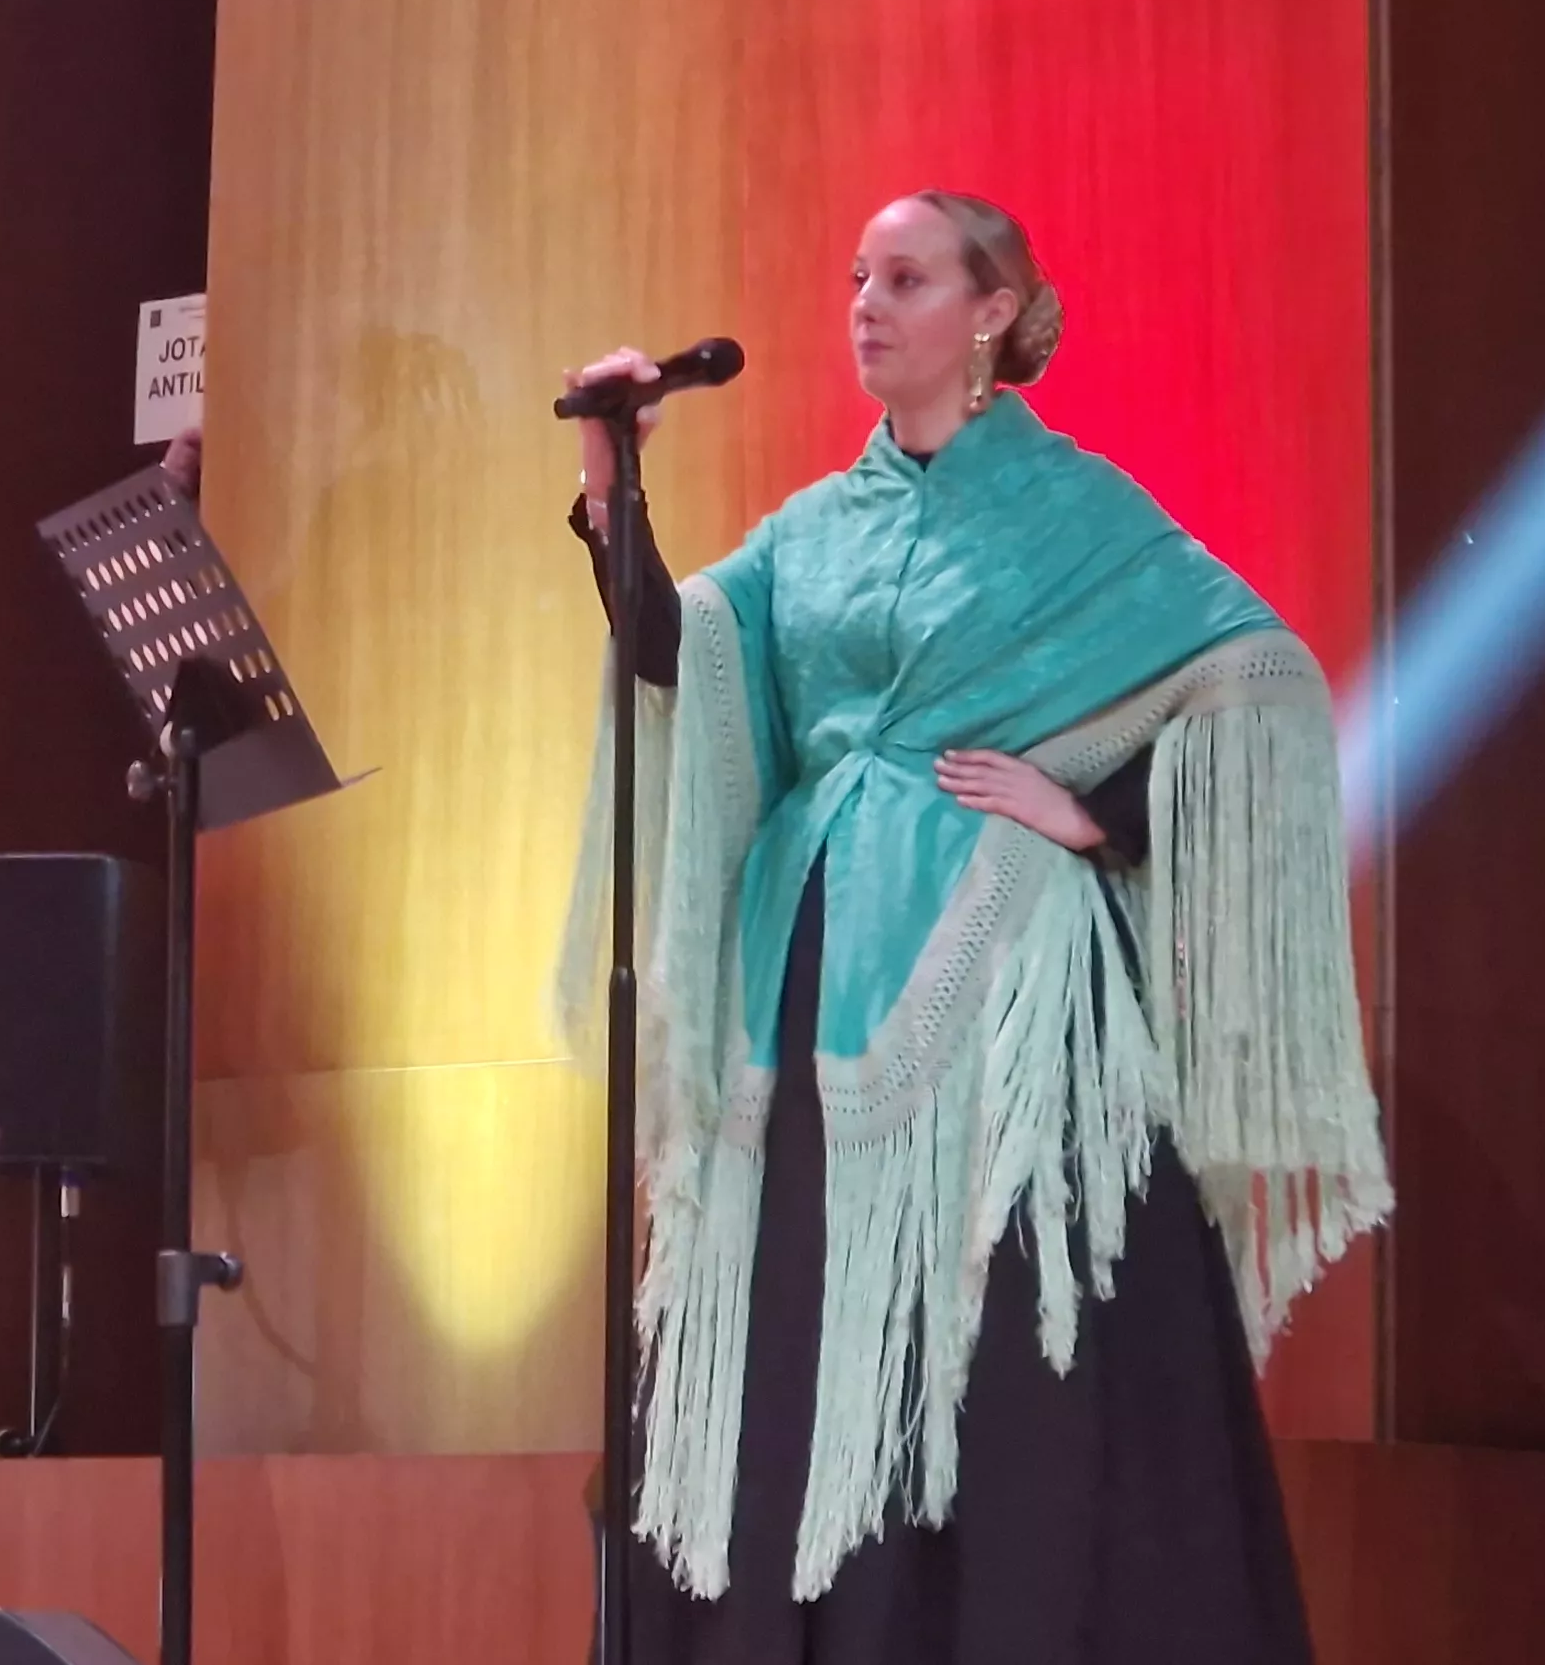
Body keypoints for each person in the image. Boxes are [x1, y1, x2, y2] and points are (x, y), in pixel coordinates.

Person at [558, 192, 1390, 1661]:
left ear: (993, 312)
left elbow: (1261, 685)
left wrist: (1096, 814)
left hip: (1000, 1006)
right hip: (807, 999)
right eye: (857, 279)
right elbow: (674, 651)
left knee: (997, 1375)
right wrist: (613, 486)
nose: (867, 304)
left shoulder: (1075, 515)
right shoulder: (815, 529)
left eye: (907, 278)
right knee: (790, 1358)